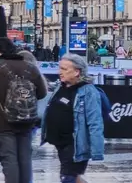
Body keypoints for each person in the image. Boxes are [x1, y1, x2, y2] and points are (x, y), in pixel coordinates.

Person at [0, 7, 48, 183]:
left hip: (3, 122)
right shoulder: (30, 67)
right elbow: (42, 93)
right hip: (27, 120)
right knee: (25, 160)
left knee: (9, 160)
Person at [43, 54, 106, 183]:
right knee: (73, 177)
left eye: (65, 69)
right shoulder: (61, 86)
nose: (60, 72)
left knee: (67, 178)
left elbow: (95, 122)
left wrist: (97, 151)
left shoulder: (88, 91)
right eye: (60, 68)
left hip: (75, 144)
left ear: (77, 72)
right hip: (60, 142)